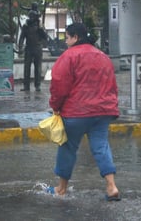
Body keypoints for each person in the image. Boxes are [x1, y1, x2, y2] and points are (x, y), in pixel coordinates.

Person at [47, 22, 121, 201]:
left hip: (76, 112)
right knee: (101, 146)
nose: (66, 42)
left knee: (67, 147)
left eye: (67, 37)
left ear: (75, 37)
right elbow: (112, 84)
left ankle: (61, 188)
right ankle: (111, 186)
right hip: (102, 112)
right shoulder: (103, 56)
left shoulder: (68, 56)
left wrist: (55, 106)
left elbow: (59, 85)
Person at [18, 10, 47, 91]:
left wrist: (41, 28)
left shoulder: (39, 26)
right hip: (28, 48)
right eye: (30, 16)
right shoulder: (25, 26)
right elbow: (22, 37)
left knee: (38, 67)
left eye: (33, 17)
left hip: (37, 48)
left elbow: (45, 37)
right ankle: (26, 86)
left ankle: (37, 85)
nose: (31, 18)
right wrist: (20, 47)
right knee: (26, 67)